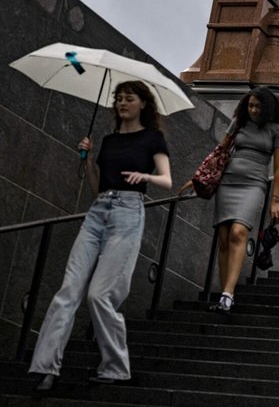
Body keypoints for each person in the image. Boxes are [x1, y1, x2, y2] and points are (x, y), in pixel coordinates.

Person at [30, 81, 172, 391]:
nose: (122, 103)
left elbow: (167, 180)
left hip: (128, 212)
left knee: (100, 295)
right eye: (119, 98)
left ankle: (116, 367)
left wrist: (144, 176)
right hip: (98, 212)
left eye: (129, 98)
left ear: (143, 104)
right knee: (69, 290)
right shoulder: (108, 140)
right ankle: (45, 368)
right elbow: (96, 188)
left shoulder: (152, 138)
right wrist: (87, 159)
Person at [209, 86, 279, 314]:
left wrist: (274, 200)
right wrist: (201, 177)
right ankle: (225, 291)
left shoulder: (277, 129)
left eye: (258, 107)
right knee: (223, 238)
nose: (253, 110)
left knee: (239, 232)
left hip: (254, 183)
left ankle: (228, 295)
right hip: (228, 180)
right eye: (250, 105)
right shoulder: (239, 121)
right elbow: (220, 151)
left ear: (267, 108)